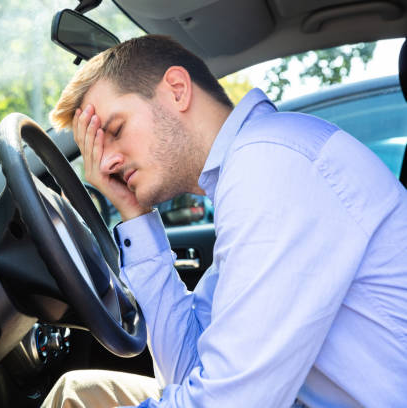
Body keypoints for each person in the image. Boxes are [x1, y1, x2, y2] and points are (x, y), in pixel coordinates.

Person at [41, 35, 407, 407]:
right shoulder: (248, 172)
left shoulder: (272, 167)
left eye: (115, 130)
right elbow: (185, 371)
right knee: (79, 393)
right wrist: (133, 213)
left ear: (177, 90)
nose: (104, 165)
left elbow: (231, 400)